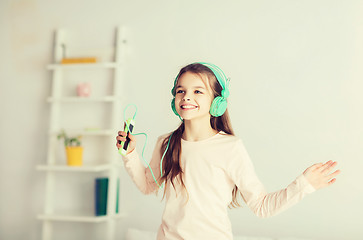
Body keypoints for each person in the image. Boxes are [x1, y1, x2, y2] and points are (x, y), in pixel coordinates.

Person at [116, 62, 341, 240]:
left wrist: (304, 184)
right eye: (180, 90)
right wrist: (130, 154)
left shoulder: (230, 148)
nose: (187, 97)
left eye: (198, 91)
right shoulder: (165, 143)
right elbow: (148, 185)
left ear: (217, 102)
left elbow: (261, 206)